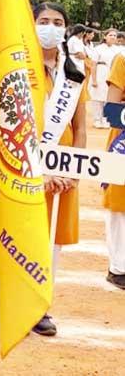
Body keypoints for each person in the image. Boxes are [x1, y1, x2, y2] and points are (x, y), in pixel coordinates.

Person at [31, 3, 87, 337]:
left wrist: (74, 170)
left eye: (58, 22)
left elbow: (80, 128)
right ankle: (21, 303)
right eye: (43, 21)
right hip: (28, 168)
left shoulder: (75, 71)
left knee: (52, 243)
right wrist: (38, 171)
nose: (50, 27)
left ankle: (41, 307)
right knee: (24, 235)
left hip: (63, 172)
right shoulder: (19, 67)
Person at [103, 53, 125, 290]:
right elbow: (111, 109)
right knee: (119, 203)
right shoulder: (123, 59)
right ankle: (118, 267)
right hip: (123, 138)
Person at [89, 28, 120, 128]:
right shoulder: (98, 49)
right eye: (110, 35)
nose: (113, 37)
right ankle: (97, 119)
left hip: (112, 74)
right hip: (100, 72)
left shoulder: (117, 50)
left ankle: (105, 119)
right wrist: (94, 79)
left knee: (109, 97)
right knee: (98, 98)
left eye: (114, 36)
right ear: (105, 36)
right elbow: (93, 64)